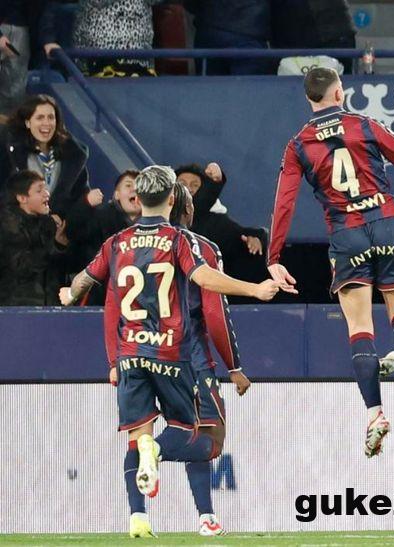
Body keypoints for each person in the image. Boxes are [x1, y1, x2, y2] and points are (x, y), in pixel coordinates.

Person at [59, 165, 280, 537]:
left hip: (130, 355)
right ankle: (182, 486)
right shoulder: (183, 242)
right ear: (175, 198)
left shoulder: (117, 243)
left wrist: (69, 295)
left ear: (137, 197)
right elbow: (206, 286)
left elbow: (95, 290)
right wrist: (254, 290)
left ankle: (138, 517)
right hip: (173, 353)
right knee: (191, 433)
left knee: (138, 436)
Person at [267, 67, 394, 458]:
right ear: (339, 94)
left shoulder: (298, 144)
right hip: (386, 222)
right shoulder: (364, 125)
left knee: (359, 326)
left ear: (309, 98)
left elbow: (284, 202)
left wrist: (274, 255)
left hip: (346, 233)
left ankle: (374, 414)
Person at [167, 181, 250, 536]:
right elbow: (215, 311)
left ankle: (199, 516)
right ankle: (153, 454)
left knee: (168, 430)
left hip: (140, 353)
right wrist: (234, 366)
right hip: (189, 355)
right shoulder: (200, 248)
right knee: (209, 437)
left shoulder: (128, 245)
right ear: (188, 209)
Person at [0, 94, 102, 218]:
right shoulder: (10, 150)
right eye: (40, 118)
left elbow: (79, 197)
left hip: (56, 227)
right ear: (28, 123)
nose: (46, 123)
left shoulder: (73, 156)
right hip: (14, 225)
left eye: (51, 117)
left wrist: (64, 220)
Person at [175, 162, 268, 284]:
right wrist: (214, 182)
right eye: (182, 184)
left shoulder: (216, 220)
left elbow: (246, 233)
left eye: (195, 185)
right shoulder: (166, 220)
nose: (188, 189)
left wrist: (257, 238)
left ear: (204, 189)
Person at [66, 169, 141, 301]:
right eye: (128, 185)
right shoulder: (100, 218)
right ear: (117, 195)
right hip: (99, 300)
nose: (134, 190)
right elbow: (73, 231)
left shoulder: (156, 226)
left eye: (140, 187)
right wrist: (85, 203)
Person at [0, 169, 68, 305]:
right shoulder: (6, 226)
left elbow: (63, 267)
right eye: (39, 190)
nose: (47, 194)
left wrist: (60, 245)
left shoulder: (49, 224)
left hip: (51, 305)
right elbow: (22, 267)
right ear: (22, 198)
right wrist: (53, 246)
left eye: (45, 189)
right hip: (17, 307)